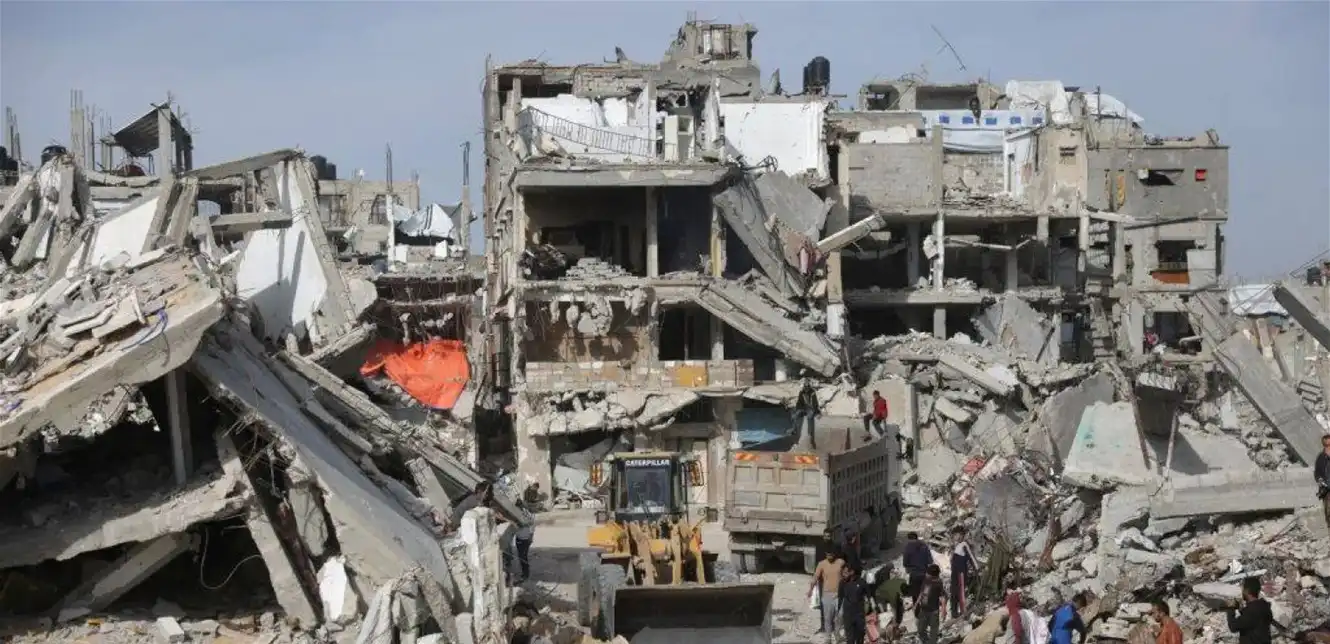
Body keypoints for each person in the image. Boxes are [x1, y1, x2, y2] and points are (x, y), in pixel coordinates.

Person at [1226, 577, 1274, 644]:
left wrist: (1230, 608)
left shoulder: (1252, 611)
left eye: (1243, 589)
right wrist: (1242, 610)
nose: (1242, 592)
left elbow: (1233, 627)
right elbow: (1252, 622)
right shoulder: (1264, 607)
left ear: (1247, 591)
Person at [810, 550, 847, 637]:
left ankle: (837, 633)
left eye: (831, 554)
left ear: (834, 554)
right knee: (828, 618)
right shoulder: (821, 564)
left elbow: (846, 573)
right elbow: (816, 576)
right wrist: (810, 589)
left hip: (839, 594)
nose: (829, 556)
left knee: (840, 615)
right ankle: (828, 638)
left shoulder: (841, 562)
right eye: (827, 554)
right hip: (827, 594)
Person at [871, 564, 907, 643]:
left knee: (886, 619)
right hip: (888, 602)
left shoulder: (879, 578)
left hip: (882, 602)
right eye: (892, 571)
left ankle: (889, 636)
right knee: (892, 619)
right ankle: (891, 635)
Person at [949, 527, 977, 616]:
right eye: (955, 535)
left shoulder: (964, 545)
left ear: (962, 535)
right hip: (954, 573)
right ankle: (954, 612)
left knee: (960, 592)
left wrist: (977, 569)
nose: (956, 537)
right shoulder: (956, 546)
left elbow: (971, 557)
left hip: (961, 573)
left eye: (957, 535)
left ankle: (962, 611)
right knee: (953, 591)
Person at [914, 564, 946, 644]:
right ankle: (925, 641)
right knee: (920, 629)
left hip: (933, 612)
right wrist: (916, 603)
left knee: (933, 632)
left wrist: (943, 611)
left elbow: (942, 598)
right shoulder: (926, 580)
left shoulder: (938, 583)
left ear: (932, 575)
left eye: (927, 573)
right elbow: (921, 592)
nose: (926, 574)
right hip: (923, 610)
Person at [841, 566, 871, 644]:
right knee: (850, 639)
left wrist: (871, 609)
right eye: (843, 573)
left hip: (859, 614)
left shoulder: (861, 582)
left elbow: (869, 596)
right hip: (847, 614)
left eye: (846, 572)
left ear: (852, 572)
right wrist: (839, 613)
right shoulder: (842, 583)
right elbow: (840, 598)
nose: (843, 575)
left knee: (860, 637)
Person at [902, 531, 933, 599]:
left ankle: (916, 605)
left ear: (909, 539)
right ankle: (924, 604)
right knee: (924, 593)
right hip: (924, 573)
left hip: (914, 574)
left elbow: (905, 563)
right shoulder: (925, 546)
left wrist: (908, 567)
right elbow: (930, 561)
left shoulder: (908, 547)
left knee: (915, 594)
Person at [793, 377, 821, 449]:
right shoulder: (801, 392)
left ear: (809, 386)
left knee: (810, 416)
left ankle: (810, 436)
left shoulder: (812, 392)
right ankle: (794, 431)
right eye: (805, 387)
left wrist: (817, 412)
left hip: (811, 408)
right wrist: (797, 410)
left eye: (807, 387)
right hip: (804, 408)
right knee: (796, 415)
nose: (806, 389)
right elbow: (799, 402)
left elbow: (815, 403)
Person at [1316, 435, 1330, 531]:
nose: (1328, 447)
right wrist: (1319, 479)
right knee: (1328, 512)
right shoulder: (1321, 457)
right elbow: (1317, 472)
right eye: (1326, 445)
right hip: (1326, 489)